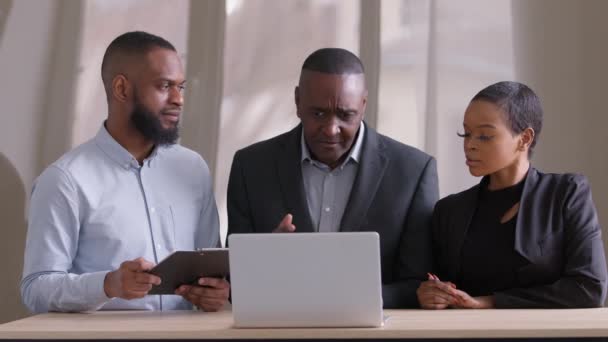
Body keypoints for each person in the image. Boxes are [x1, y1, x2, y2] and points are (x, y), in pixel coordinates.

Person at [21, 31, 229, 313]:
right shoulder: (65, 180)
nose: (178, 99)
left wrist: (216, 292)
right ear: (121, 89)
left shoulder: (192, 169)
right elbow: (36, 289)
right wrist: (108, 285)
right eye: (164, 85)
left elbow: (210, 268)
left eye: (181, 87)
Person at [226, 48, 439, 308]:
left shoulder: (413, 171)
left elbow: (419, 284)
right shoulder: (251, 167)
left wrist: (350, 299)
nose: (330, 129)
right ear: (297, 101)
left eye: (345, 114)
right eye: (318, 113)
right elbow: (235, 279)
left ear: (363, 105)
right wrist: (268, 256)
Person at [417, 81, 608, 309]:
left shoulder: (566, 193)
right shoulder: (449, 210)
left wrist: (488, 302)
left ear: (525, 138)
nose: (469, 145)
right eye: (465, 133)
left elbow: (590, 288)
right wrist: (430, 294)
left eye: (484, 136)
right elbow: (437, 283)